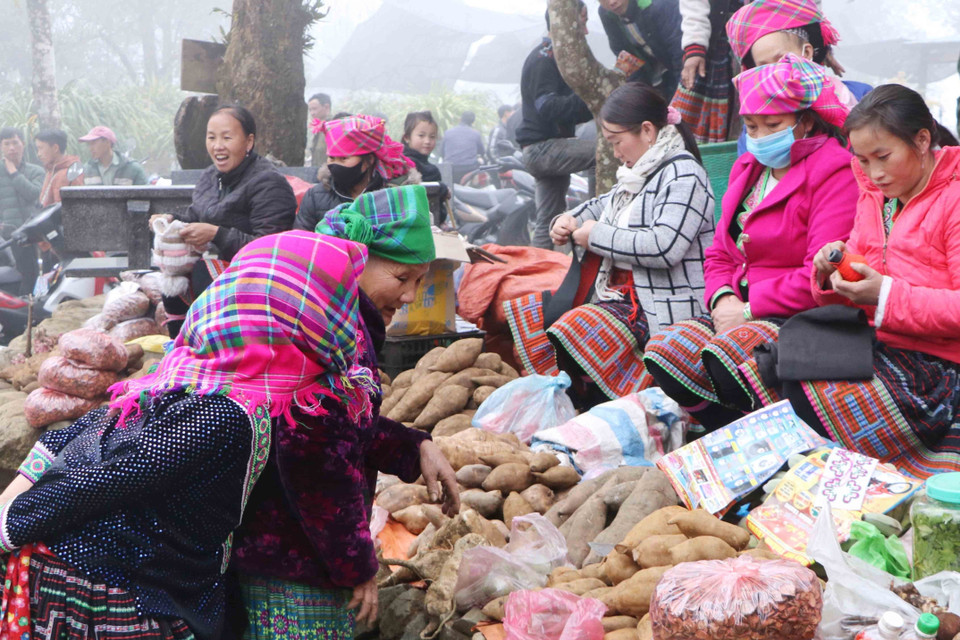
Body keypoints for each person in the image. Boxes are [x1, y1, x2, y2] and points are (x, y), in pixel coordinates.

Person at [0, 230, 376, 639]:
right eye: (341, 300)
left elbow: (95, 434)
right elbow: (112, 474)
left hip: (136, 573)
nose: (349, 315)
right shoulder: (225, 409)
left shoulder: (197, 372)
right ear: (305, 313)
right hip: (113, 585)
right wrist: (11, 522)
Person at [233, 185, 460, 638]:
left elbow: (344, 425)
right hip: (289, 560)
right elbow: (314, 458)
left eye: (419, 281)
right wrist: (356, 565)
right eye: (401, 278)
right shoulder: (326, 329)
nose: (410, 297)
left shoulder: (341, 318)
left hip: (291, 552)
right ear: (354, 259)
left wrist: (415, 446)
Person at [643, 54, 859, 430]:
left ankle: (773, 438)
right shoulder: (748, 169)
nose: (759, 137)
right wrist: (722, 298)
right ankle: (726, 432)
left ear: (806, 121)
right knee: (665, 352)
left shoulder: (835, 171)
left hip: (799, 316)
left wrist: (747, 309)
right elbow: (719, 252)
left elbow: (821, 273)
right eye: (751, 127)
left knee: (726, 356)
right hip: (736, 307)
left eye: (772, 125)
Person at [775, 85, 960, 479]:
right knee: (770, 364)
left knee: (809, 393)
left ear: (921, 140)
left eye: (883, 157)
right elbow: (862, 273)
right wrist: (832, 272)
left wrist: (886, 295)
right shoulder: (875, 195)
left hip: (940, 368)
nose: (874, 173)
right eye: (862, 160)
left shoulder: (955, 199)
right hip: (880, 343)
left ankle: (852, 484)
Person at [504, 83, 714, 407]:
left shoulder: (685, 175)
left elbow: (664, 246)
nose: (615, 153)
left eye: (617, 141)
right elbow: (601, 205)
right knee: (532, 314)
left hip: (663, 308)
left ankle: (617, 406)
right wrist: (567, 220)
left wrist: (596, 236)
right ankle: (593, 406)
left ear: (647, 131)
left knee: (576, 328)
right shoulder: (638, 174)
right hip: (623, 297)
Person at [726, 0, 871, 154]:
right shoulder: (757, 122)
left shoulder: (859, 96)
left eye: (782, 61)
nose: (775, 73)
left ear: (807, 53)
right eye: (764, 67)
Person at [170, 105, 296, 262]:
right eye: (211, 138)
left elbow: (269, 248)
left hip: (251, 273)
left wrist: (217, 235)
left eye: (227, 138)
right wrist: (172, 220)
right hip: (208, 268)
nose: (217, 146)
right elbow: (196, 217)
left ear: (249, 142)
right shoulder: (209, 176)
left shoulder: (269, 183)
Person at [517, 3, 596, 250]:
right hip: (543, 148)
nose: (585, 31)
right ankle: (599, 216)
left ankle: (538, 271)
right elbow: (548, 106)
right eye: (581, 23)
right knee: (603, 152)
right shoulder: (544, 59)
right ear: (564, 24)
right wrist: (593, 98)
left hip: (541, 149)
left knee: (547, 222)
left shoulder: (556, 57)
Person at [295, 115, 420, 232]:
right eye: (331, 158)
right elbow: (301, 239)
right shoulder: (315, 197)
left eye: (344, 158)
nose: (336, 165)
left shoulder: (394, 195)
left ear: (368, 161)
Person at [597, 0, 684, 102]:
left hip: (682, 63)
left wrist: (682, 92)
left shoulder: (657, 4)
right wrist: (640, 96)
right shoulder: (606, 13)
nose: (612, 2)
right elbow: (623, 54)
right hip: (655, 74)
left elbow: (678, 48)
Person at [79, 125, 148, 186]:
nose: (90, 148)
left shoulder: (133, 169)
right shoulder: (87, 170)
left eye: (94, 143)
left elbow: (146, 194)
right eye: (89, 144)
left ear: (107, 142)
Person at [34, 129, 82, 207]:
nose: (38, 154)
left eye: (41, 148)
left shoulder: (70, 172)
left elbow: (61, 208)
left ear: (55, 148)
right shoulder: (51, 170)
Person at [441, 111, 485, 182]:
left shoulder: (448, 132)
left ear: (460, 119)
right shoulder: (476, 134)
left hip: (450, 169)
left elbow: (442, 152)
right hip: (469, 169)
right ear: (473, 122)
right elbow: (482, 152)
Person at [402, 110, 442, 183]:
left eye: (432, 137)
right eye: (421, 135)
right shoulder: (406, 163)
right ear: (407, 137)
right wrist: (443, 188)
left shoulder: (429, 166)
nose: (427, 141)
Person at [307, 92, 332, 167]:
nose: (312, 113)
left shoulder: (333, 128)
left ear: (326, 107)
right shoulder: (318, 129)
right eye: (310, 110)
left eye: (314, 109)